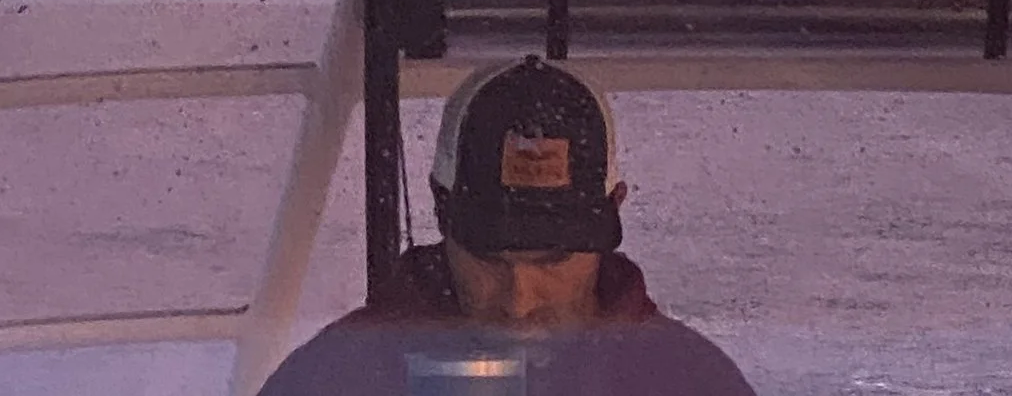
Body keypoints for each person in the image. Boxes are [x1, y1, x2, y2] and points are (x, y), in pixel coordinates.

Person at [259, 56, 756, 393]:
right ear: (438, 206)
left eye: (553, 259)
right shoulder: (333, 380)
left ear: (617, 207)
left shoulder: (691, 383)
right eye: (489, 259)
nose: (519, 301)